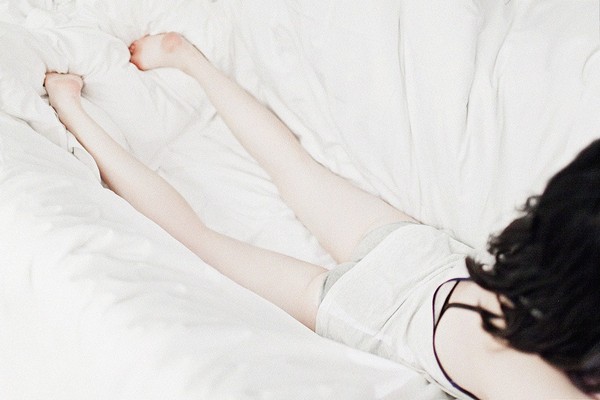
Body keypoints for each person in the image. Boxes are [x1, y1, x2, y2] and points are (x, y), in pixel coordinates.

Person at [44, 32, 599, 400]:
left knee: (293, 168)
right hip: (369, 311)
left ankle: (189, 62)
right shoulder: (530, 375)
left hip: (424, 258)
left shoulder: (545, 265)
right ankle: (71, 107)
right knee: (202, 242)